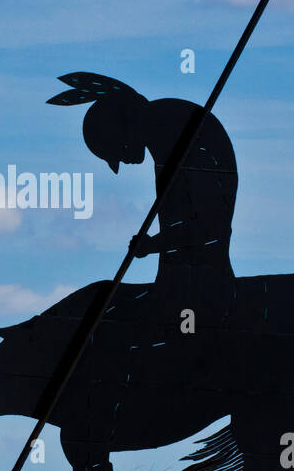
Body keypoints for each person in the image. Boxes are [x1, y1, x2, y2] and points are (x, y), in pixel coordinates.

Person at [48, 72, 239, 323]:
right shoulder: (165, 128)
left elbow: (207, 227)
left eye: (118, 151)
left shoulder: (170, 131)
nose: (124, 161)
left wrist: (154, 245)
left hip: (200, 282)